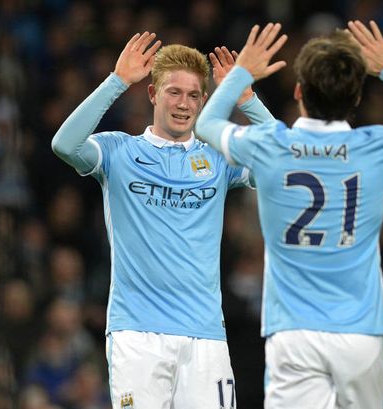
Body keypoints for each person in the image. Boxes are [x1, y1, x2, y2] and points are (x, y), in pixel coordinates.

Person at [196, 21, 383, 408]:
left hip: (293, 332)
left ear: (299, 91)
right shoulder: (377, 145)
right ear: (355, 99)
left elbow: (207, 123)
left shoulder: (270, 144)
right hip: (360, 332)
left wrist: (242, 74)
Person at [51, 31, 273, 409]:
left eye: (193, 95)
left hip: (205, 338)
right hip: (137, 334)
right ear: (153, 94)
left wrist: (247, 99)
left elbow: (280, 160)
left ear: (204, 101)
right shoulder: (118, 151)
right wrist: (117, 81)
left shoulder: (218, 158)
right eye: (174, 92)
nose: (183, 103)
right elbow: (64, 144)